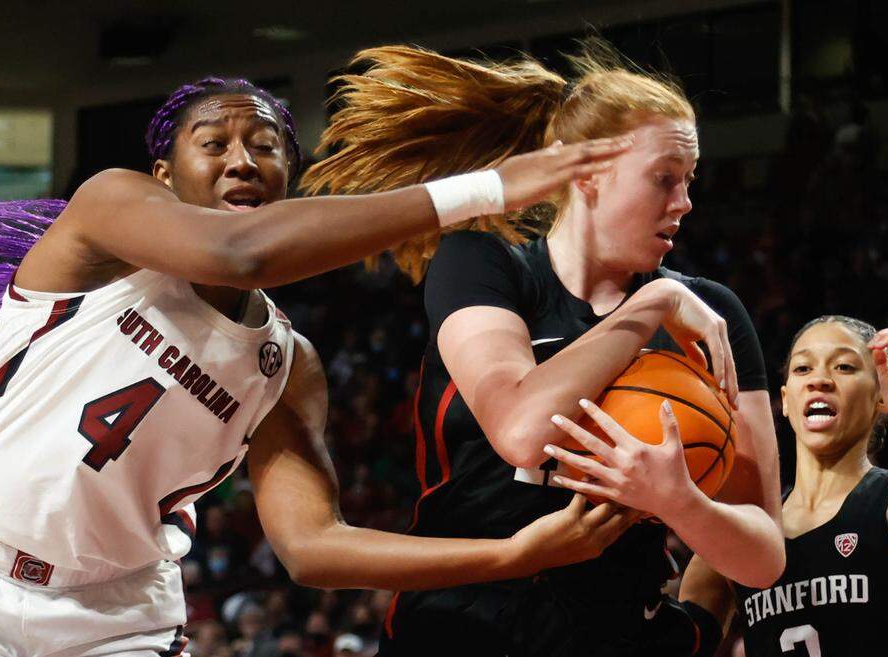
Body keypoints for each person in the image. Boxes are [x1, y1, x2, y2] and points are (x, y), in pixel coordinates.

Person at [0, 77, 636, 657]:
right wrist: (484, 191)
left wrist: (513, 555)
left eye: (265, 147)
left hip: (119, 617)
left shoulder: (286, 364)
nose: (242, 160)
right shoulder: (103, 221)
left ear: (288, 180)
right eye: (215, 143)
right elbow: (242, 253)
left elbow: (312, 546)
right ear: (163, 176)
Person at [302, 43, 784, 656]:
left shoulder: (712, 313)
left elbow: (762, 559)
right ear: (586, 173)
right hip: (461, 631)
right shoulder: (481, 264)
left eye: (689, 180)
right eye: (664, 178)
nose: (684, 201)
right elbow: (522, 431)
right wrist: (652, 305)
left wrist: (680, 502)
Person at [677, 317, 888, 656]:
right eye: (802, 368)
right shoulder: (742, 534)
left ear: (880, 396)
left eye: (844, 366)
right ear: (785, 400)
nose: (819, 380)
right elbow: (673, 643)